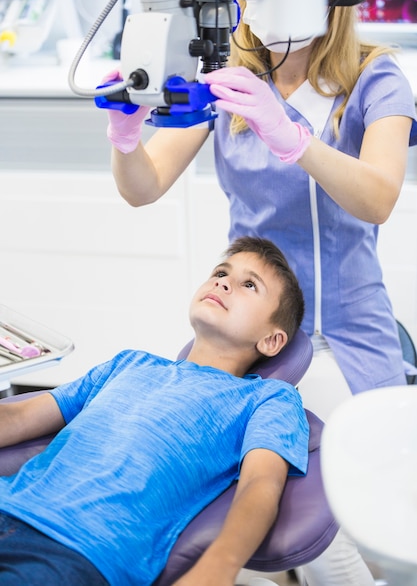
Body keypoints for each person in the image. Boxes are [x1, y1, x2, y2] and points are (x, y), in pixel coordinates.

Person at [104, 0, 417, 584]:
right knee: (221, 503)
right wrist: (124, 135)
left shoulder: (375, 77)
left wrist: (295, 140)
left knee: (327, 518)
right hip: (254, 335)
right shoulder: (228, 79)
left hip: (345, 335)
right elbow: (145, 187)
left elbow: (379, 197)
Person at [0, 236, 309, 586]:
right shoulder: (129, 363)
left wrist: (217, 569)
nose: (223, 281)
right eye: (221, 272)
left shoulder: (267, 398)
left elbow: (260, 483)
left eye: (249, 284)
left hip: (82, 549)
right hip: (9, 502)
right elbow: (20, 417)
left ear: (271, 340)